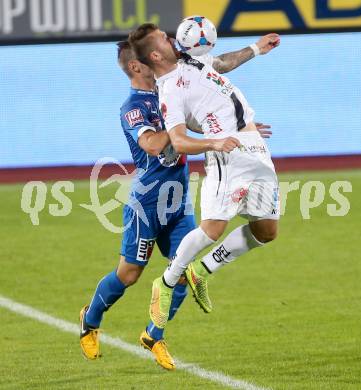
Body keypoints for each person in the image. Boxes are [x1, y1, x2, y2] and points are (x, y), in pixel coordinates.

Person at [80, 33, 278, 370]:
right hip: (147, 202)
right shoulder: (133, 107)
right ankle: (91, 318)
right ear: (136, 66)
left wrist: (237, 127)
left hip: (178, 199)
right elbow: (153, 145)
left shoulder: (169, 87)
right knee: (128, 274)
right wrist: (187, 132)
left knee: (182, 271)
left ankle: (154, 334)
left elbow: (206, 98)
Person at [128, 24, 280, 331]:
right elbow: (179, 141)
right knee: (213, 228)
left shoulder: (190, 59)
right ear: (156, 54)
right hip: (228, 155)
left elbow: (221, 63)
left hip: (254, 147)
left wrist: (255, 49)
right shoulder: (169, 89)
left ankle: (202, 269)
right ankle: (167, 283)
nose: (171, 39)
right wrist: (214, 142)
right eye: (163, 39)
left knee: (266, 231)